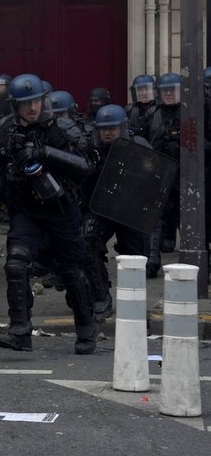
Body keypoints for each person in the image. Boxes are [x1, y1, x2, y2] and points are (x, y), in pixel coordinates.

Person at [0, 73, 97, 354]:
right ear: (15, 105)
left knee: (72, 270)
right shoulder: (6, 128)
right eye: (25, 103)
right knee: (16, 263)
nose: (32, 108)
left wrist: (46, 153)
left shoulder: (62, 128)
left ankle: (86, 329)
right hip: (26, 209)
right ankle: (20, 330)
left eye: (36, 102)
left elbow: (86, 166)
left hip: (60, 208)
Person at [81, 104, 150, 320]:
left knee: (134, 256)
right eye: (103, 129)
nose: (108, 132)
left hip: (129, 210)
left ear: (122, 128)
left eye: (112, 128)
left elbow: (153, 181)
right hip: (100, 209)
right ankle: (100, 297)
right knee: (87, 242)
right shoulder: (90, 151)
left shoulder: (138, 147)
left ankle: (135, 302)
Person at [148, 72, 182, 253]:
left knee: (186, 211)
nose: (169, 94)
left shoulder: (190, 111)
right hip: (161, 169)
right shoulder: (153, 113)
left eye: (172, 90)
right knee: (157, 211)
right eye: (165, 90)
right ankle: (153, 258)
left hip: (185, 172)